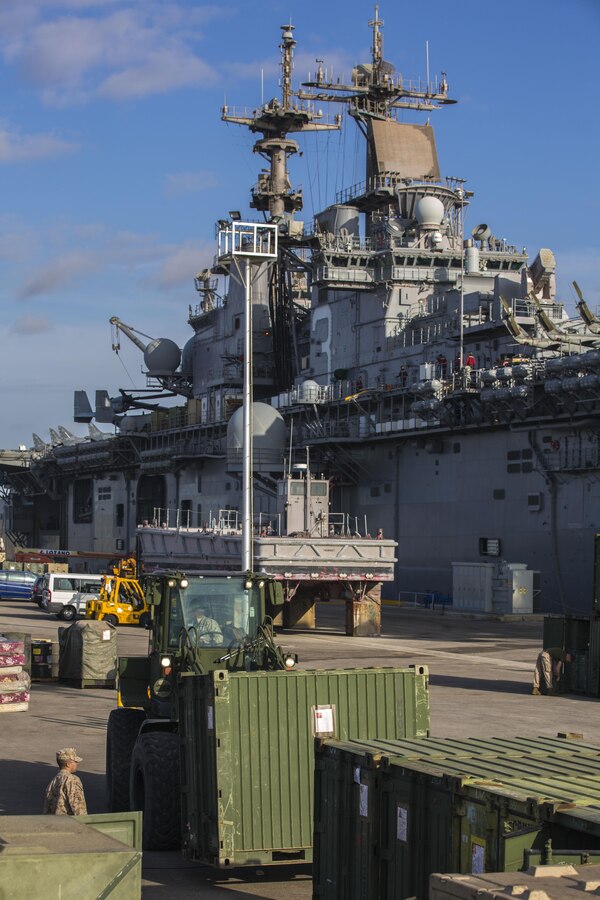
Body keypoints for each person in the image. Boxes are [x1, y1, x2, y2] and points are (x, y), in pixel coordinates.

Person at [43, 748, 87, 816]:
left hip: (56, 823)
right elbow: (78, 807)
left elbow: (47, 808)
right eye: (75, 762)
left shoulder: (53, 781)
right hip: (70, 822)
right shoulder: (72, 780)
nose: (77, 764)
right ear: (68, 764)